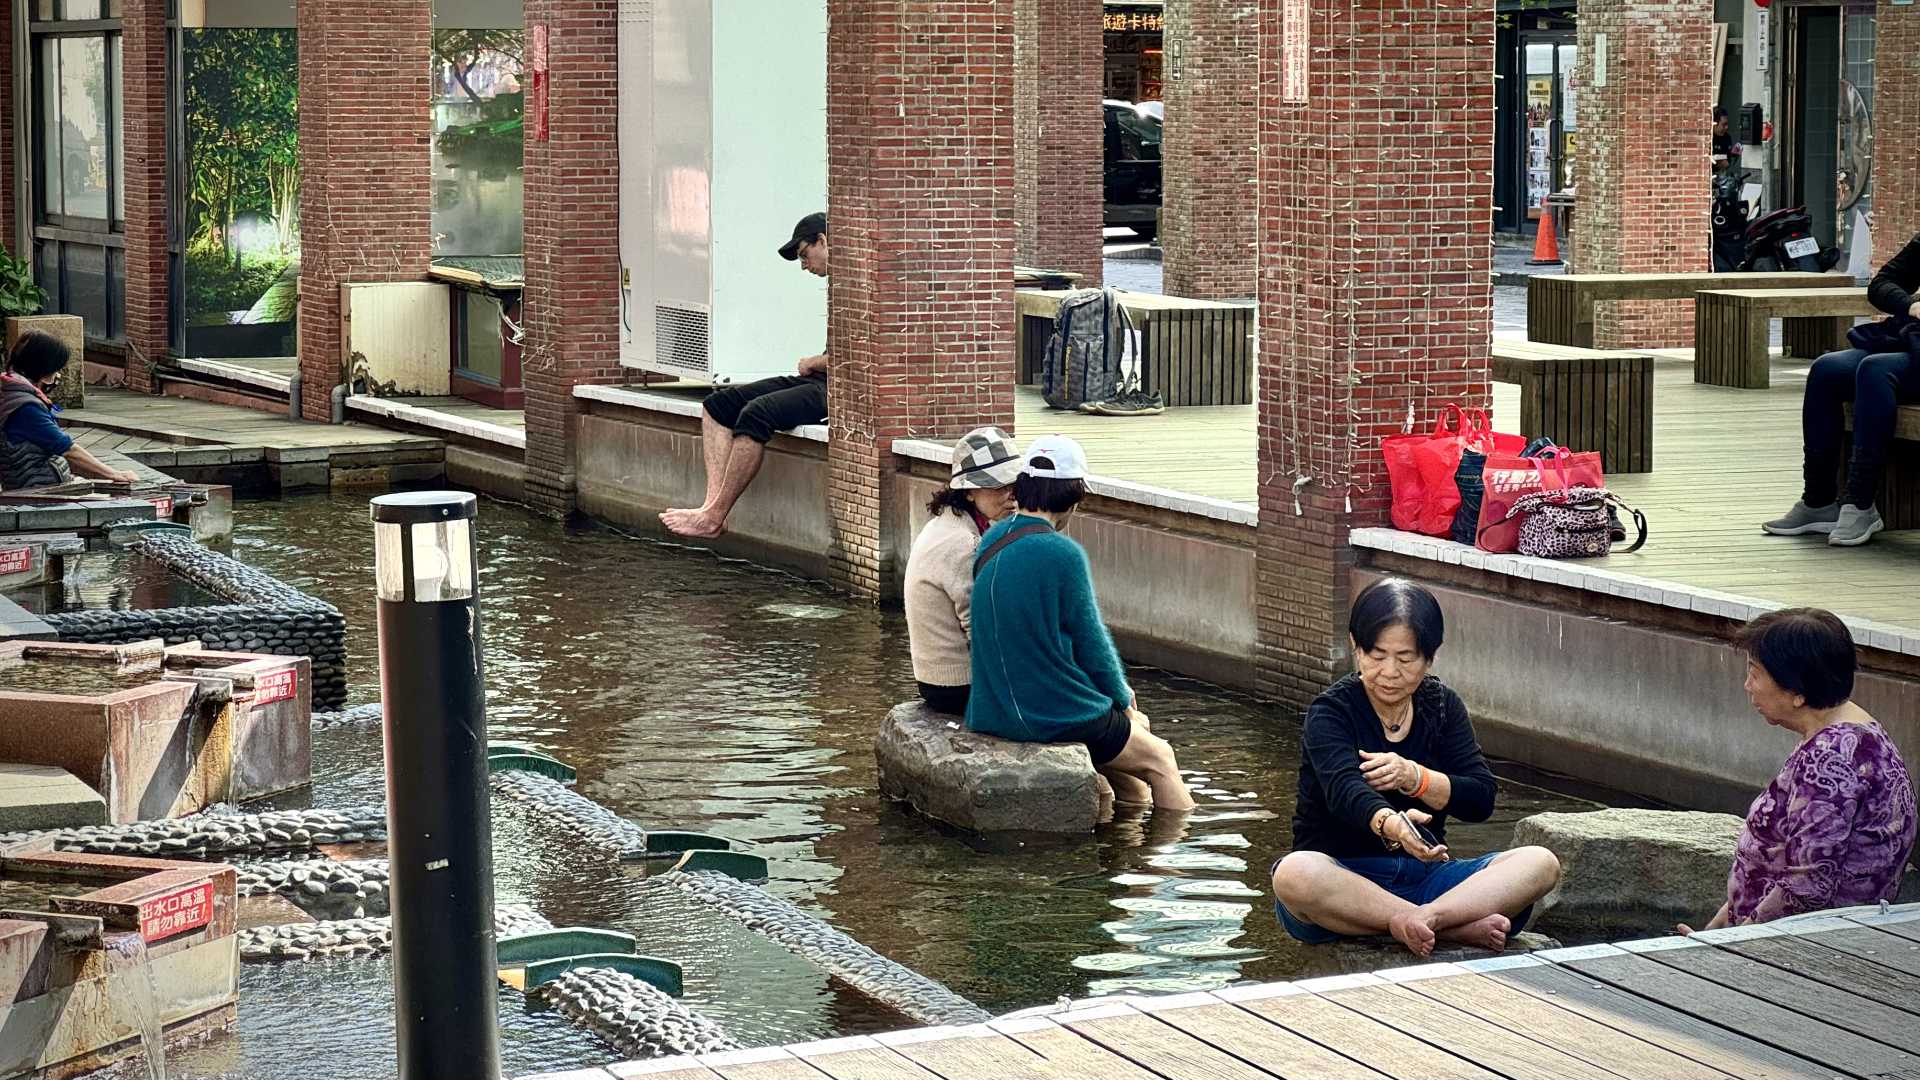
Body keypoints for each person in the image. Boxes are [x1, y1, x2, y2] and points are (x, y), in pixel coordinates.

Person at [1270, 579, 1560, 957]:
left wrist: (1416, 778)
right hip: (1346, 882)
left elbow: (1480, 799)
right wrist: (1395, 827)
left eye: (1405, 659)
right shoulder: (1332, 711)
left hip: (1427, 878)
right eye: (1376, 655)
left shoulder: (1441, 706)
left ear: (1429, 657)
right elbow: (1344, 791)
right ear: (1356, 649)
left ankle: (1427, 920)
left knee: (1540, 862)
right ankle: (1449, 926)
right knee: (1294, 873)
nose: (1390, 671)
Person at [966, 435, 1194, 811]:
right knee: (1160, 759)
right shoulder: (1062, 554)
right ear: (1073, 497)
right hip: (1050, 712)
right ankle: (1172, 854)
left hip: (992, 709)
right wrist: (1123, 699)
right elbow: (1091, 643)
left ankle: (1127, 842)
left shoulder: (990, 541)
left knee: (1133, 782)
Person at [1679, 609, 1916, 933]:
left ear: (1797, 691)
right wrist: (1718, 926)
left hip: (1802, 949)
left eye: (1756, 673)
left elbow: (1806, 888)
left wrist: (1729, 944)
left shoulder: (1829, 761)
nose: (1748, 686)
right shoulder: (1857, 732)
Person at [662, 212, 829, 538]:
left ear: (822, 240)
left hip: (837, 390)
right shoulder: (837, 285)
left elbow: (854, 361)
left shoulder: (858, 283)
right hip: (819, 380)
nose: (804, 266)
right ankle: (710, 509)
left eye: (804, 255)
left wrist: (814, 361)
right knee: (717, 405)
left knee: (756, 414)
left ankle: (715, 514)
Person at [1764, 230, 1920, 546]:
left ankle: (1860, 502)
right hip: (1911, 340)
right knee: (1827, 369)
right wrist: (1910, 305)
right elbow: (1881, 285)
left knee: (1875, 370)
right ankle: (1818, 501)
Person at [904, 427, 1022, 716]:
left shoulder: (946, 524)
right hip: (958, 687)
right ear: (969, 491)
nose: (1010, 496)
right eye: (998, 486)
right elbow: (981, 631)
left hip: (938, 681)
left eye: (1014, 485)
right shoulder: (964, 543)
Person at [1, 331, 138, 491]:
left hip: (31, 483)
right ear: (44, 368)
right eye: (56, 368)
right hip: (39, 488)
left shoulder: (10, 391)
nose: (58, 375)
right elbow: (68, 449)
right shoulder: (25, 408)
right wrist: (115, 474)